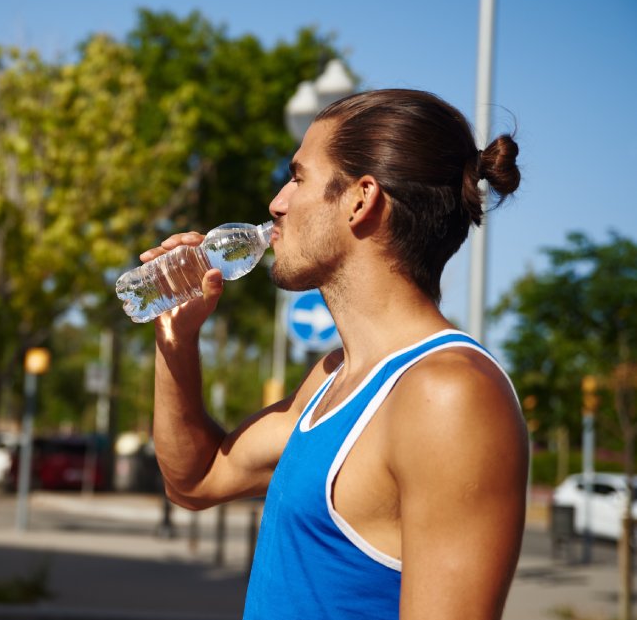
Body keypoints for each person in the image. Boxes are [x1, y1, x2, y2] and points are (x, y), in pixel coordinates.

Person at [147, 89, 528, 620]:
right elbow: (197, 478)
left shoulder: (447, 395)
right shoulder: (332, 378)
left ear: (360, 198)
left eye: (298, 177)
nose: (277, 202)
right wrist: (177, 342)